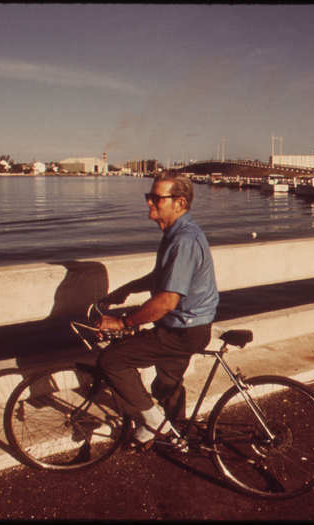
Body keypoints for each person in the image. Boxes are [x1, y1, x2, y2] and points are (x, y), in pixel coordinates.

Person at [96, 172, 219, 449]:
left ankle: (154, 423)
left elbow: (166, 301)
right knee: (167, 384)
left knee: (112, 360)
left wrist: (122, 322)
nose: (149, 203)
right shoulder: (177, 233)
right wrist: (127, 289)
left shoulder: (183, 240)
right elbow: (163, 276)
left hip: (182, 329)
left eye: (156, 198)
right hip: (188, 326)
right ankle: (178, 436)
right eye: (148, 197)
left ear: (179, 203)